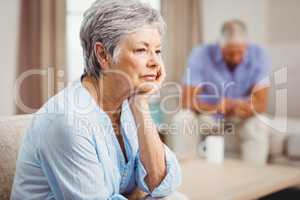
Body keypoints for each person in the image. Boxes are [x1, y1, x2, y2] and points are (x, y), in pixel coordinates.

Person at [11, 0, 182, 199]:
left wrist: (140, 104)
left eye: (158, 51)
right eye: (141, 50)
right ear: (102, 54)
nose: (155, 62)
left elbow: (161, 183)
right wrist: (137, 193)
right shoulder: (68, 121)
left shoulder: (127, 102)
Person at [172, 19, 271, 164]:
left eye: (239, 53)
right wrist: (217, 107)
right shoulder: (200, 54)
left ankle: (253, 177)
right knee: (182, 119)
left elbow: (261, 104)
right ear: (220, 46)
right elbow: (187, 101)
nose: (236, 58)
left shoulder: (259, 55)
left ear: (246, 46)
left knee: (260, 123)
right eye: (230, 54)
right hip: (209, 115)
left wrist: (238, 106)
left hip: (241, 116)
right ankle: (186, 173)